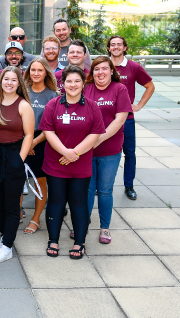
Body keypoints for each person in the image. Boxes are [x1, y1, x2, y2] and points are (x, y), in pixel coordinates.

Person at [38, 65, 105, 259]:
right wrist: (65, 152)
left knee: (78, 203)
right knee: (56, 202)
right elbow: (48, 132)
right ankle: (53, 239)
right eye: (69, 81)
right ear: (63, 83)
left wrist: (74, 153)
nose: (73, 84)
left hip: (80, 164)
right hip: (55, 163)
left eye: (77, 81)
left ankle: (79, 242)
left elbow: (95, 134)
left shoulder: (92, 106)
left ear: (83, 83)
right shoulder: (54, 104)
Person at [0, 66, 35, 263]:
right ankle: (6, 238)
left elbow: (29, 134)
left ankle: (7, 246)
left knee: (12, 204)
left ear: (19, 83)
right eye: (6, 79)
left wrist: (19, 160)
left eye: (14, 80)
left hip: (14, 155)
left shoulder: (23, 106)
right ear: (1, 81)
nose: (9, 83)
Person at [84, 56, 132, 244]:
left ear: (112, 71)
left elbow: (119, 120)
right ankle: (83, 224)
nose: (101, 72)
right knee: (87, 189)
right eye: (97, 69)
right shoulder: (86, 89)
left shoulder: (120, 89)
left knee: (104, 190)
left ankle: (105, 228)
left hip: (110, 149)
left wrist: (97, 140)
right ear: (92, 72)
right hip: (87, 148)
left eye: (105, 68)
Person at [108, 35, 155, 201]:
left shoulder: (133, 67)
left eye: (119, 44)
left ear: (125, 47)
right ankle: (103, 185)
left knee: (129, 153)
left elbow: (150, 86)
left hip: (126, 119)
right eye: (112, 45)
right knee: (102, 153)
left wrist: (139, 105)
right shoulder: (103, 67)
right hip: (106, 119)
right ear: (108, 48)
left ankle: (129, 185)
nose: (116, 47)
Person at [22, 57, 59, 234]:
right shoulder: (23, 92)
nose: (36, 73)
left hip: (42, 141)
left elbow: (52, 127)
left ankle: (36, 218)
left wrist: (34, 142)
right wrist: (25, 142)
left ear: (46, 72)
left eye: (40, 70)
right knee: (16, 180)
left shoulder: (53, 96)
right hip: (21, 139)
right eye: (33, 70)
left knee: (39, 182)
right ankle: (16, 212)